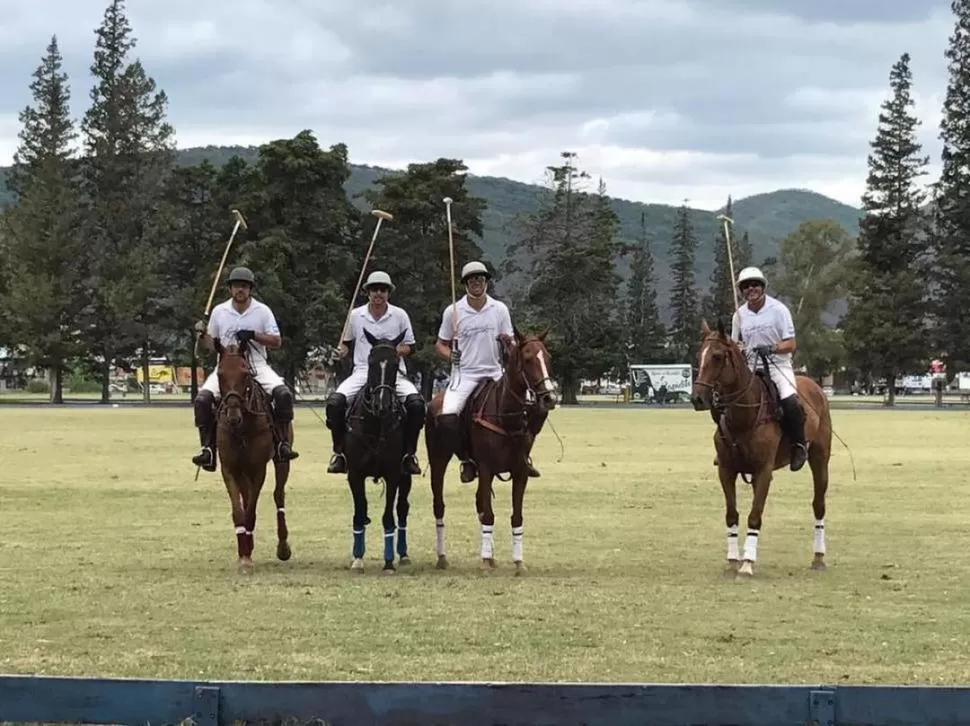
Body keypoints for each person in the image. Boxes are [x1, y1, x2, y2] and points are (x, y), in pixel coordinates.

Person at [435, 260, 541, 483]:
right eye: (473, 279)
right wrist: (449, 355)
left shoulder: (499, 309)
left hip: (494, 372)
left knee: (535, 408)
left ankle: (523, 456)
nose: (477, 283)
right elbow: (440, 344)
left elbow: (510, 340)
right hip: (465, 374)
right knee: (448, 417)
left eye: (481, 279)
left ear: (486, 283)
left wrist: (508, 345)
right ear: (465, 284)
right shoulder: (453, 311)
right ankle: (467, 460)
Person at [191, 266, 298, 471]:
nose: (240, 290)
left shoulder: (262, 311)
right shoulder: (220, 311)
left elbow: (276, 341)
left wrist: (254, 335)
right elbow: (210, 344)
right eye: (236, 286)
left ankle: (283, 443)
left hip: (256, 365)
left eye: (244, 286)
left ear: (250, 289)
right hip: (226, 367)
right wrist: (201, 335)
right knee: (202, 399)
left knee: (283, 394)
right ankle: (208, 449)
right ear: (230, 288)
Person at [325, 270, 425, 476]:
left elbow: (411, 346)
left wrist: (391, 352)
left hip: (393, 373)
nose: (378, 293)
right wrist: (339, 352)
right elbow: (346, 345)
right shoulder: (355, 315)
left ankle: (409, 454)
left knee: (416, 405)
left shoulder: (400, 315)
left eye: (383, 290)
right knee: (335, 403)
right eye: (374, 289)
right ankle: (340, 453)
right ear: (367, 293)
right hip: (362, 371)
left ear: (388, 293)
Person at [729, 265, 808, 471]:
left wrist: (772, 348)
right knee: (728, 402)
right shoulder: (739, 316)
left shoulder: (779, 310)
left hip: (777, 366)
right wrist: (737, 348)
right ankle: (727, 449)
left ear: (763, 286)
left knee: (790, 402)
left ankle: (799, 446)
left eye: (755, 284)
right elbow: (734, 344)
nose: (750, 289)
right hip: (750, 368)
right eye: (746, 286)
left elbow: (791, 343)